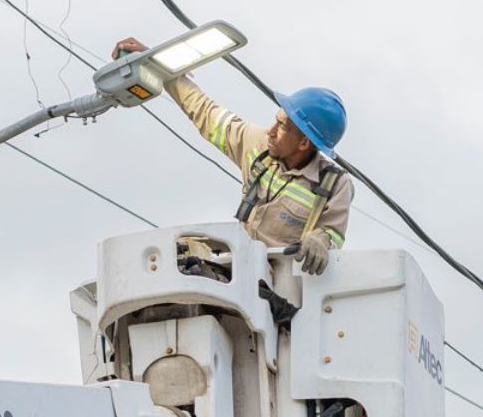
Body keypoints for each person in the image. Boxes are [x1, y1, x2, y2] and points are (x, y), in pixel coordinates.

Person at [115, 36, 352, 274]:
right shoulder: (258, 147)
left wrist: (321, 240)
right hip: (239, 271)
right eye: (276, 120)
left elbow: (332, 235)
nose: (270, 131)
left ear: (304, 143)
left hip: (281, 289)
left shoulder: (334, 184)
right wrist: (157, 64)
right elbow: (206, 112)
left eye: (282, 128)